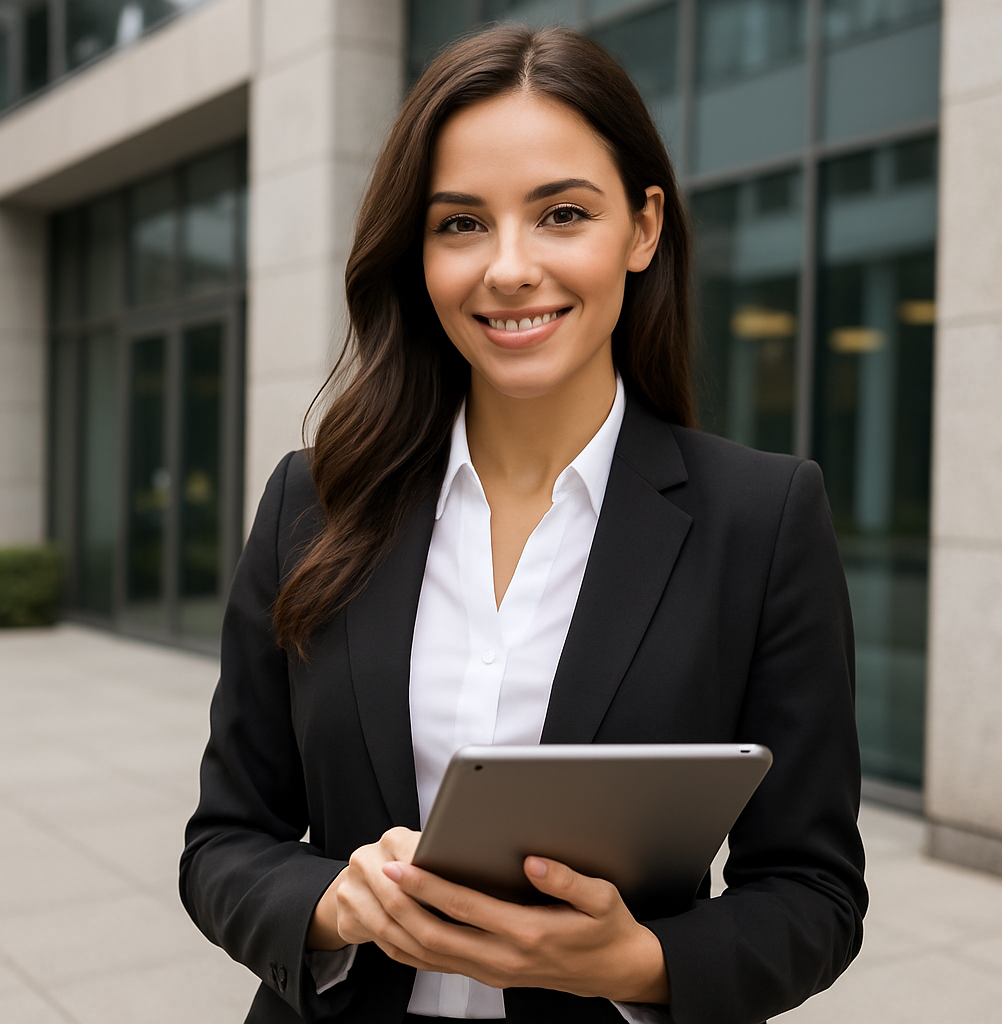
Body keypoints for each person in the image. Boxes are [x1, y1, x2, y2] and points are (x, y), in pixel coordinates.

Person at [180, 24, 867, 1024]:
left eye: (562, 214)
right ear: (418, 252)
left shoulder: (762, 522)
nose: (508, 268)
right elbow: (223, 842)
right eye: (461, 223)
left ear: (642, 229)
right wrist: (332, 905)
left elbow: (814, 894)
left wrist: (639, 962)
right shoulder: (312, 502)